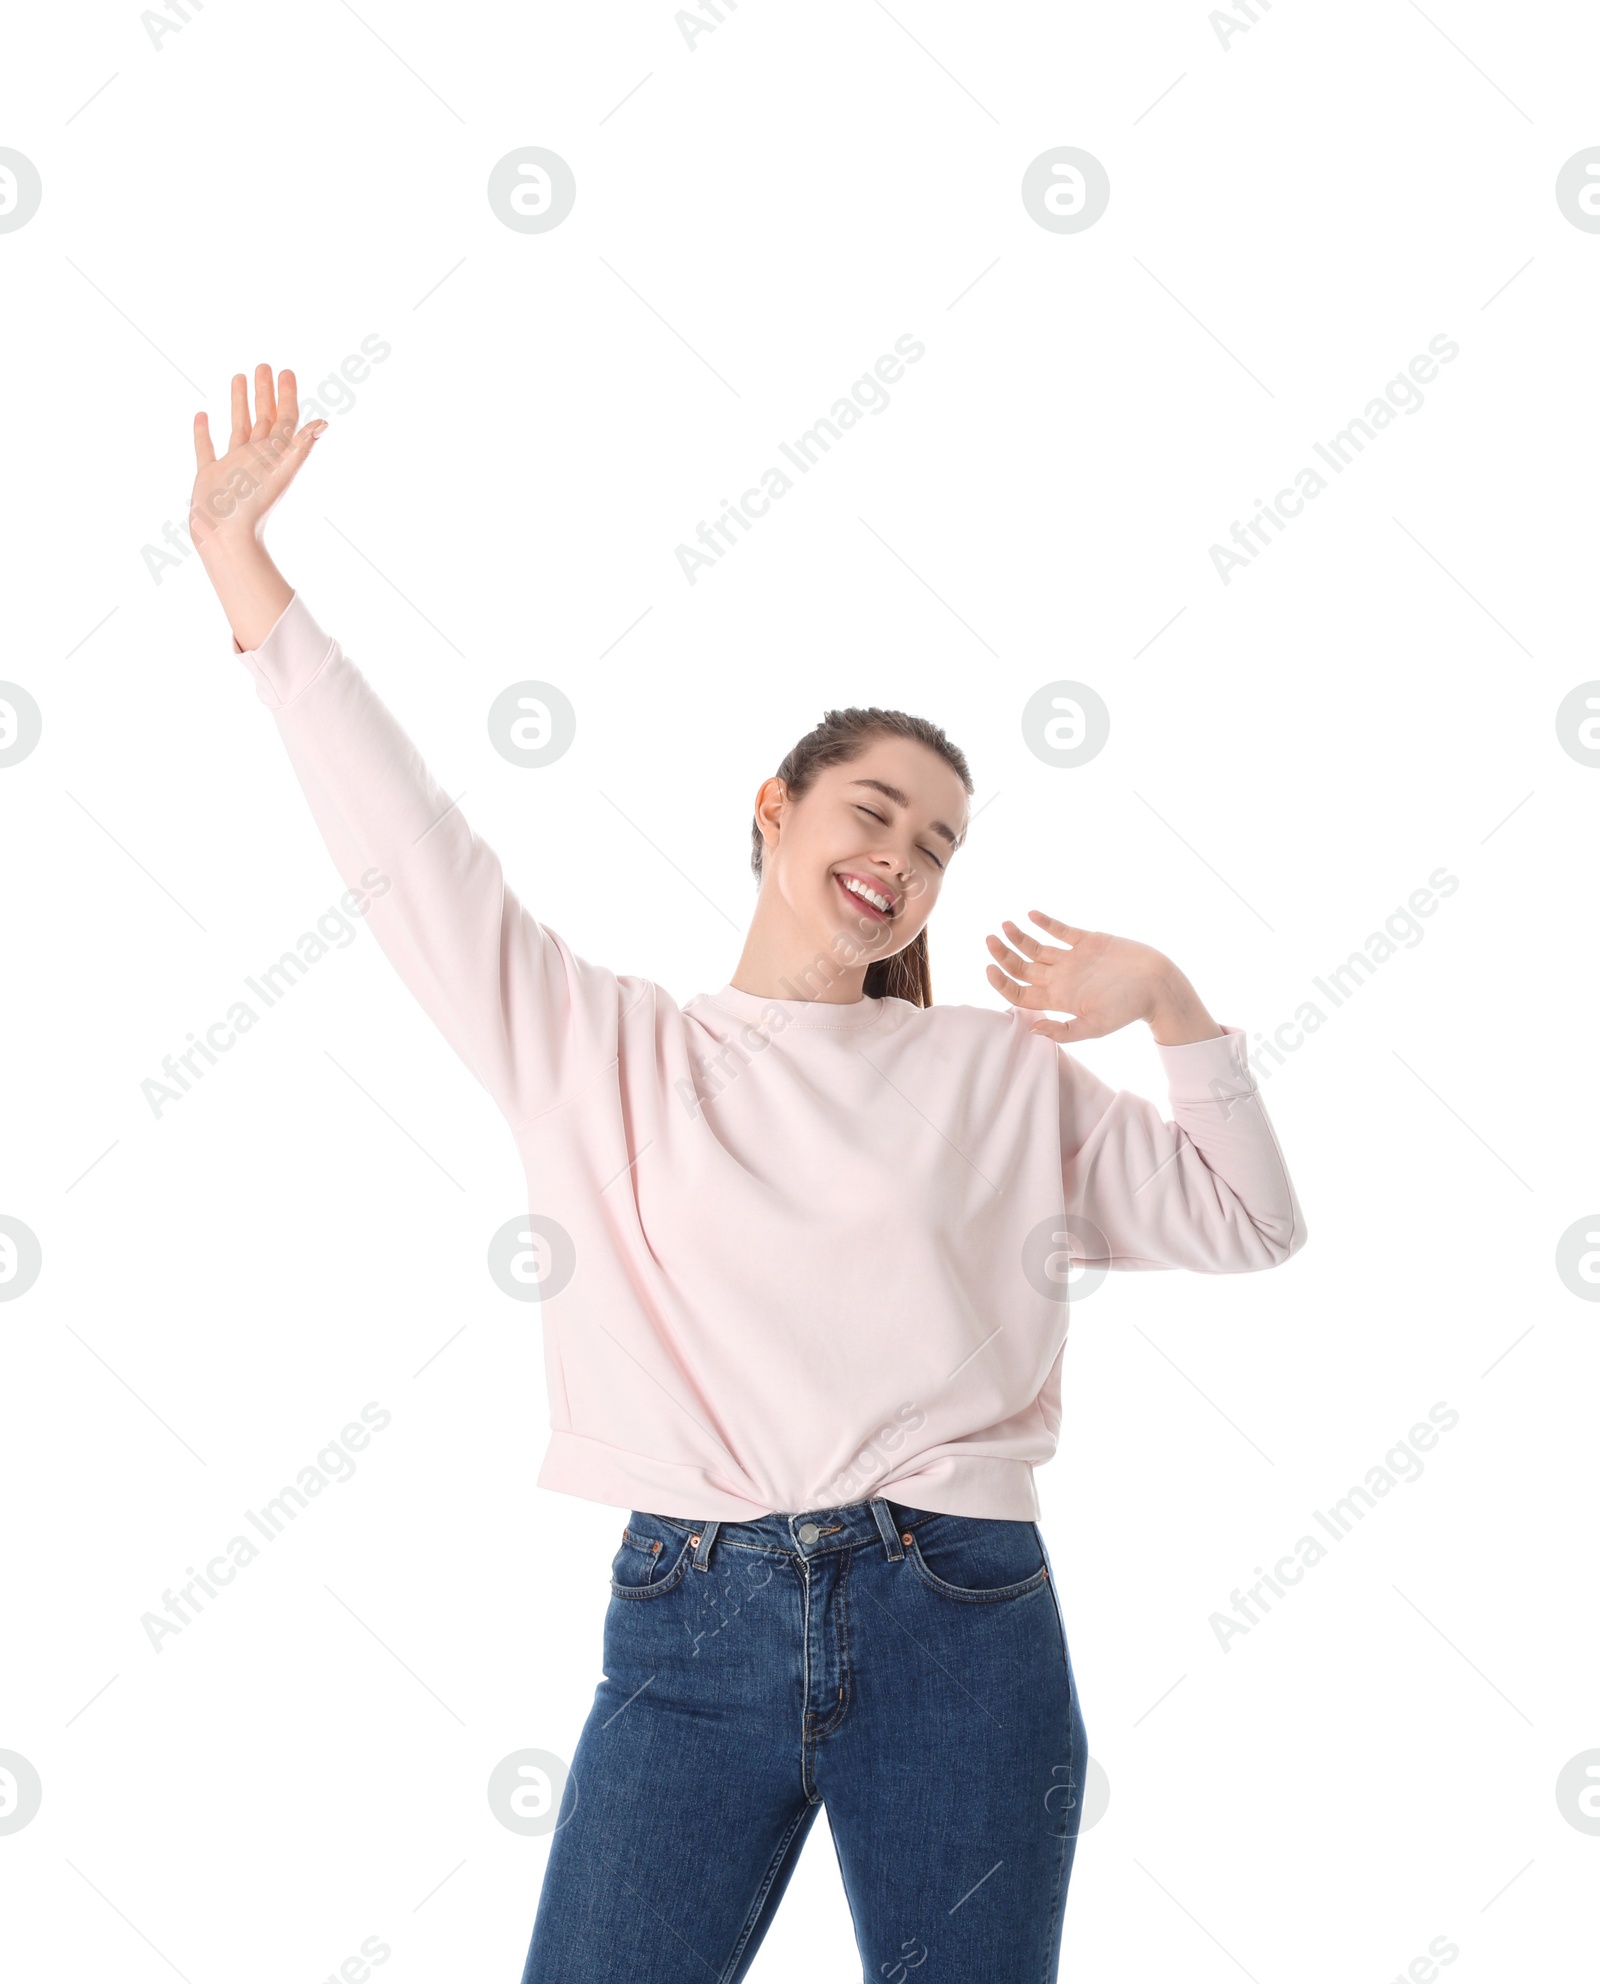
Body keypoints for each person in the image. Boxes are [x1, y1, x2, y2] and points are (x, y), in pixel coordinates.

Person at [191, 365, 1308, 1984]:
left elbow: (1254, 1221)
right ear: (775, 811)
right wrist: (247, 580)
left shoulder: (996, 1072)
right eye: (877, 812)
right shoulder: (602, 1049)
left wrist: (1178, 1013)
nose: (904, 861)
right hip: (691, 1616)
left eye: (938, 847)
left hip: (964, 1619)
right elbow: (412, 853)